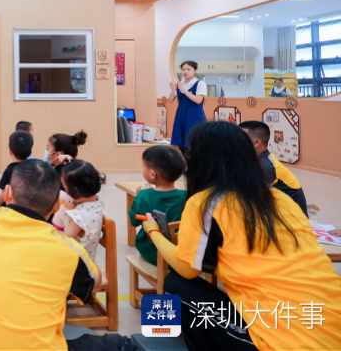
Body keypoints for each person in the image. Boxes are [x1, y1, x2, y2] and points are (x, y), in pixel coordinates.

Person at [142, 121, 341, 351]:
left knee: (175, 284)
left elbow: (187, 269)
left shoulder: (206, 203)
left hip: (280, 343)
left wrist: (154, 232)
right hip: (331, 327)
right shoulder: (280, 199)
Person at [0, 160, 136, 351]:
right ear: (58, 205)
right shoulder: (67, 250)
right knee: (119, 344)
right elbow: (95, 279)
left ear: (8, 193)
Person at [128, 146, 187, 265]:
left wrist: (139, 197)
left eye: (144, 166)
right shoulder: (186, 196)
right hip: (180, 251)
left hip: (151, 251)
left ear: (152, 174)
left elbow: (134, 221)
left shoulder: (144, 196)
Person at [239, 120, 308, 216]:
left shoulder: (266, 166)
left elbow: (250, 199)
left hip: (292, 217)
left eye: (240, 138)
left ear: (256, 143)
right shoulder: (258, 158)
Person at [57, 160, 105, 262]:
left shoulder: (79, 218)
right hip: (89, 260)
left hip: (78, 264)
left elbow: (63, 241)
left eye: (65, 187)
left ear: (76, 192)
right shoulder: (96, 201)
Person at [169, 60, 207, 152]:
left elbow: (198, 100)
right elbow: (170, 100)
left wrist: (184, 90)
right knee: (181, 144)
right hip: (181, 115)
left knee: (194, 142)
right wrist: (173, 90)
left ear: (195, 70)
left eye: (188, 69)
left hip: (194, 115)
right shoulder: (181, 84)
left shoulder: (200, 83)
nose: (185, 72)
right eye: (183, 69)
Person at [0, 130, 33, 206]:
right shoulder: (33, 168)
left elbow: (5, 193)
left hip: (11, 209)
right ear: (30, 153)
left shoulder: (10, 170)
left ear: (10, 151)